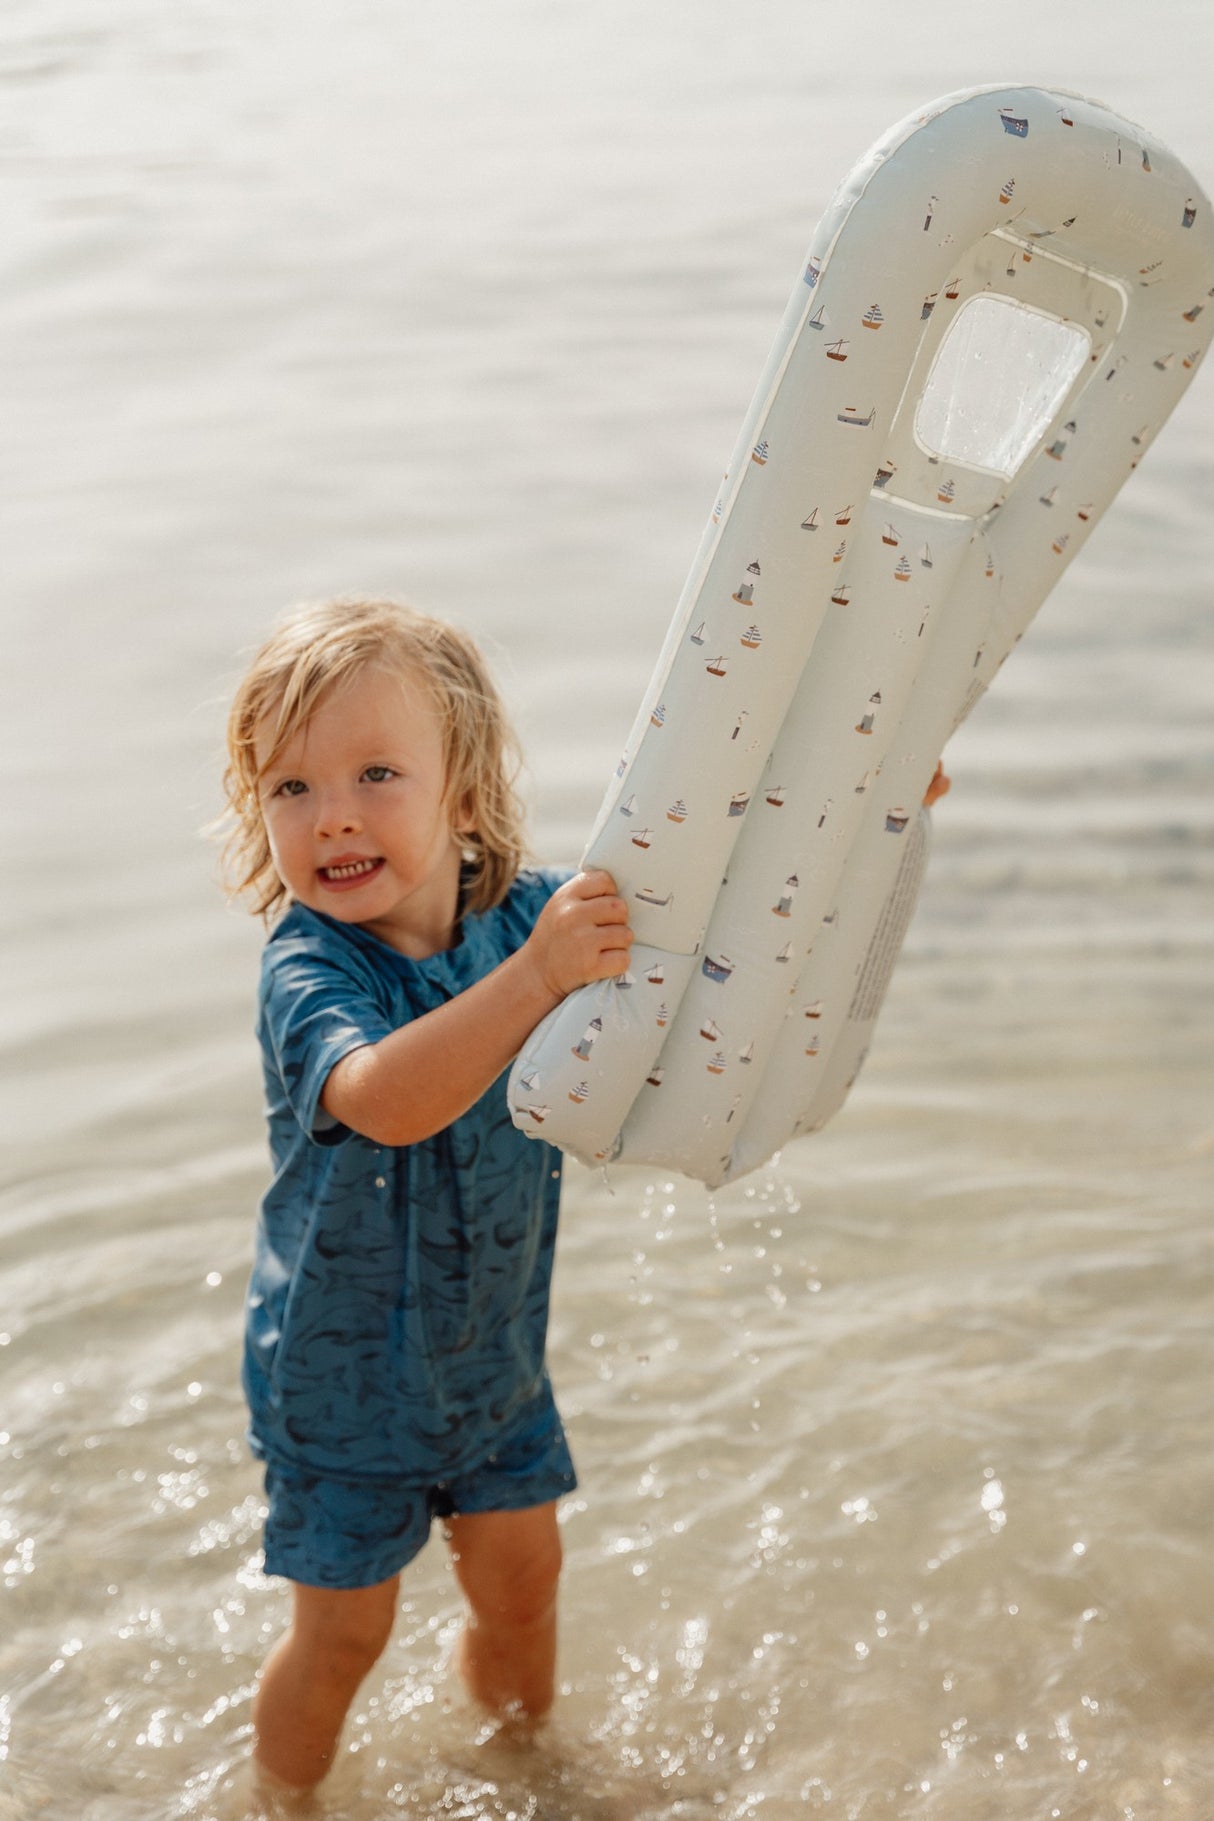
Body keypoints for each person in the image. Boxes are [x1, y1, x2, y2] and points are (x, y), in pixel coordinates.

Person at [217, 596, 634, 1798]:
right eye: (288, 788)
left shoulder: (525, 917)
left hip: (492, 1362)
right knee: (343, 1636)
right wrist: (541, 976)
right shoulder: (310, 966)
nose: (331, 813)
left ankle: (522, 1769)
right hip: (342, 1387)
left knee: (524, 1591)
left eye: (374, 772)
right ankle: (284, 1803)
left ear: (464, 794)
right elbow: (388, 1097)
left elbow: (708, 916)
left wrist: (859, 819)